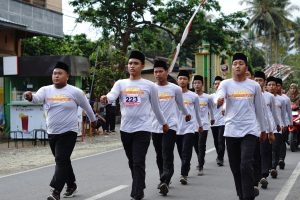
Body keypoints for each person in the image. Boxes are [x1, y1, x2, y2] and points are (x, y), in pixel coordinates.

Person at [100, 50, 169, 200]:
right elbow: (112, 95)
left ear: (142, 66)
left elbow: (156, 108)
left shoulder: (150, 86)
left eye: (136, 63)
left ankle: (137, 193)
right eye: (130, 63)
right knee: (132, 162)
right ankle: (140, 183)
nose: (132, 66)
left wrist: (163, 123)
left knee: (138, 161)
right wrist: (106, 98)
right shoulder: (121, 83)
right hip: (125, 129)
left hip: (143, 129)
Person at [23, 61, 97, 200]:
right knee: (63, 160)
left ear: (67, 76)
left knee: (60, 160)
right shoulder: (45, 90)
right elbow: (36, 98)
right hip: (52, 132)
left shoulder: (75, 92)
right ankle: (71, 184)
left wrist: (93, 121)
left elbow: (87, 107)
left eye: (59, 73)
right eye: (54, 73)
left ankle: (55, 191)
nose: (56, 76)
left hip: (69, 132)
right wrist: (30, 96)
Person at [215, 53, 267, 200]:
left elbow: (259, 109)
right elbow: (219, 95)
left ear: (246, 66)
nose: (237, 66)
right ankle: (242, 195)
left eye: (241, 63)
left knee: (245, 165)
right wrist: (218, 101)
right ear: (232, 66)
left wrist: (263, 129)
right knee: (236, 168)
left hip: (249, 131)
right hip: (231, 131)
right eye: (235, 63)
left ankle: (248, 196)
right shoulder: (226, 84)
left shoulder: (254, 85)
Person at [151, 60, 191, 196]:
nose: (158, 74)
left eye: (160, 71)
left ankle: (165, 181)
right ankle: (163, 177)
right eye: (155, 71)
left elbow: (181, 105)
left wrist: (187, 114)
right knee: (159, 155)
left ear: (167, 72)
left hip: (171, 127)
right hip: (155, 127)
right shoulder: (151, 88)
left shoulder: (175, 89)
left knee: (167, 153)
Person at [176, 70, 203, 185]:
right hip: (176, 128)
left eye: (184, 78)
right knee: (181, 152)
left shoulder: (193, 96)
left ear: (188, 81)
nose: (182, 80)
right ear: (177, 80)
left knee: (186, 151)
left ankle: (184, 174)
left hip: (190, 127)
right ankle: (186, 165)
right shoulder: (173, 94)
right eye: (180, 78)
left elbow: (197, 113)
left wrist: (200, 125)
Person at [253, 72, 279, 190]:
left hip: (266, 128)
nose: (258, 83)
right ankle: (256, 178)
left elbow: (272, 114)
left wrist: (273, 128)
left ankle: (263, 175)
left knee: (264, 152)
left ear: (264, 82)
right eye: (256, 80)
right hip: (252, 130)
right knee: (254, 155)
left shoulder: (269, 97)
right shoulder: (250, 95)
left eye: (260, 80)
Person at [192, 75, 215, 175]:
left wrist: (213, 118)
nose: (197, 85)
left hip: (204, 124)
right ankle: (200, 159)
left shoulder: (207, 97)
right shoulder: (191, 96)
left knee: (201, 145)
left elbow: (211, 109)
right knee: (196, 145)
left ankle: (200, 165)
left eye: (199, 83)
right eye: (195, 83)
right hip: (193, 125)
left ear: (202, 84)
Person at [267, 77, 287, 179]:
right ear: (267, 86)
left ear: (277, 87)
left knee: (275, 148)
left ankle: (273, 168)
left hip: (278, 128)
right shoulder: (263, 98)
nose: (271, 87)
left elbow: (283, 115)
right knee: (267, 149)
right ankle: (268, 167)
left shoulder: (282, 100)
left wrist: (284, 124)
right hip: (266, 128)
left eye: (273, 85)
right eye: (269, 85)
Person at [276, 78, 293, 170]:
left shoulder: (286, 98)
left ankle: (281, 159)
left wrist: (289, 123)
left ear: (281, 87)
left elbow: (289, 112)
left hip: (284, 124)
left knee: (282, 142)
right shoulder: (270, 97)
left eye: (278, 85)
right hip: (273, 125)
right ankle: (275, 159)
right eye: (275, 85)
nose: (276, 87)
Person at [210, 76, 226, 167]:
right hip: (214, 122)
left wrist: (224, 108)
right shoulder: (211, 96)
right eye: (215, 84)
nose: (217, 85)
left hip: (223, 121)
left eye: (219, 83)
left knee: (221, 140)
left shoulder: (225, 96)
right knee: (216, 141)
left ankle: (220, 158)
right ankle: (219, 155)